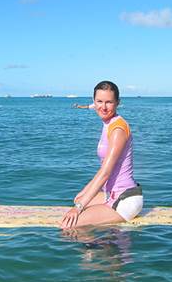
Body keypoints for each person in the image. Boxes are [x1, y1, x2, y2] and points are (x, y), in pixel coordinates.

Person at [60, 81, 143, 229]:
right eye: (99, 101)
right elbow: (102, 170)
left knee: (68, 225)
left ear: (118, 102)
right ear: (93, 102)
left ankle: (95, 251)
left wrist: (78, 208)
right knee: (78, 198)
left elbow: (106, 172)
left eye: (109, 102)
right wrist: (81, 198)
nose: (103, 107)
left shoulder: (118, 129)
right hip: (110, 193)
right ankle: (102, 244)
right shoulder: (108, 123)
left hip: (125, 199)